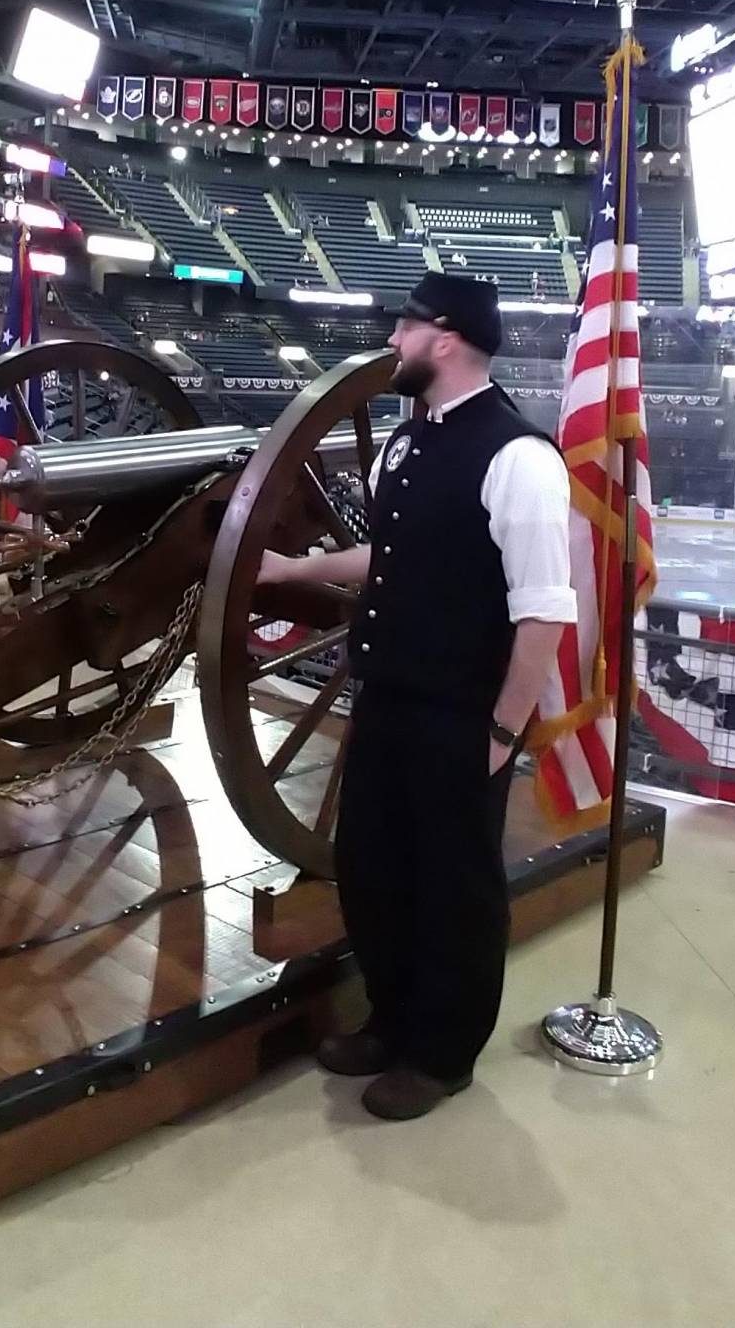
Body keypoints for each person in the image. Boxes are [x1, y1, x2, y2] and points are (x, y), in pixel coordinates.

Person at [259, 272, 574, 1120]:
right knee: (375, 869)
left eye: (402, 329)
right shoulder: (407, 445)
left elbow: (544, 611)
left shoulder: (519, 458)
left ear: (444, 337)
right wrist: (295, 570)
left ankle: (441, 1054)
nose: (391, 343)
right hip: (389, 700)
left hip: (461, 716)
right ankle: (392, 1021)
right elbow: (387, 559)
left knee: (454, 888)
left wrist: (504, 729)